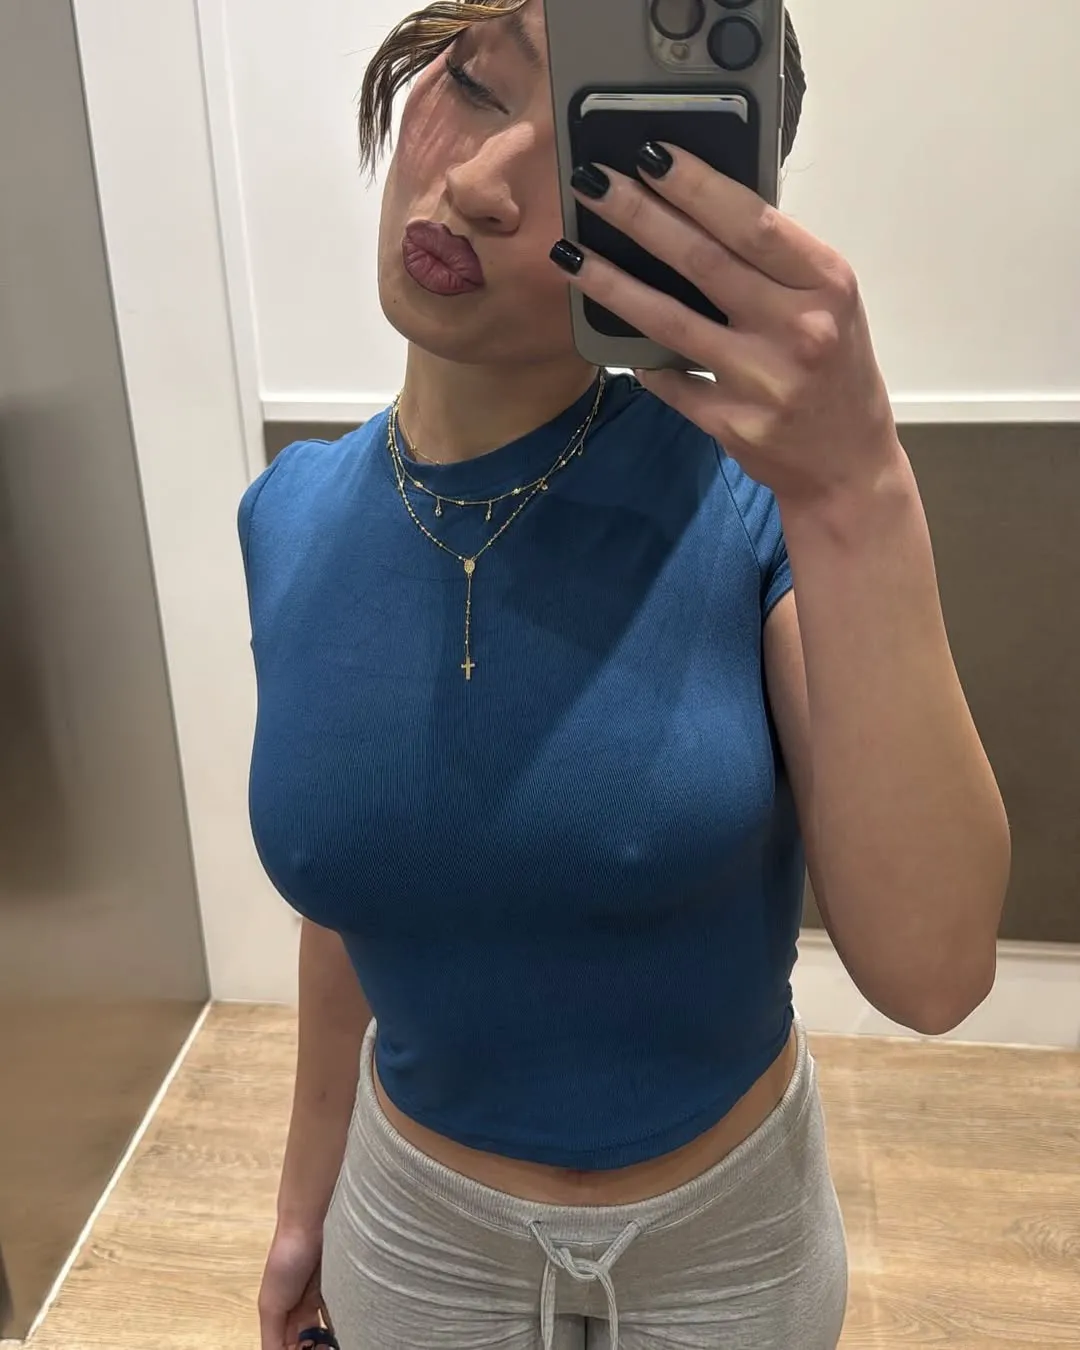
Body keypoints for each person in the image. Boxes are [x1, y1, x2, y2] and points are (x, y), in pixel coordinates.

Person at [240, 2, 1011, 1347]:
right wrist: (305, 1197)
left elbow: (935, 970)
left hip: (728, 1249)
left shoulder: (758, 502)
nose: (480, 185)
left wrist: (860, 490)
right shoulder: (288, 514)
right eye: (477, 83)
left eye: (592, 152)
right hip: (414, 1242)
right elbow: (359, 899)